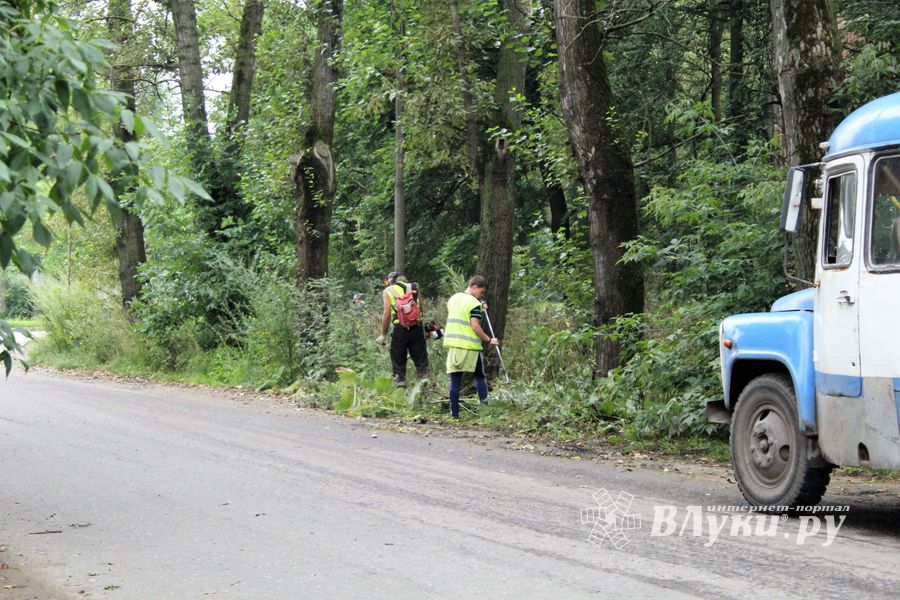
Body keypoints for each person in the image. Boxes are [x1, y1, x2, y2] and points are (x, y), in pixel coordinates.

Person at [443, 275, 499, 418]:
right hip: (470, 347)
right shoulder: (474, 303)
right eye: (480, 292)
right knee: (480, 377)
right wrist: (489, 340)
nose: (480, 295)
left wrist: (480, 305)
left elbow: (462, 312)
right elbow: (475, 326)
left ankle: (454, 415)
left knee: (455, 381)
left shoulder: (453, 299)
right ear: (474, 287)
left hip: (454, 346)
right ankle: (485, 412)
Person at [376, 271, 429, 387]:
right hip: (417, 327)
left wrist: (383, 334)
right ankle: (426, 387)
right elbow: (422, 308)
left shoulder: (388, 291)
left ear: (391, 281)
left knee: (398, 362)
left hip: (400, 329)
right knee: (421, 362)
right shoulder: (414, 287)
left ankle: (401, 388)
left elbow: (386, 314)